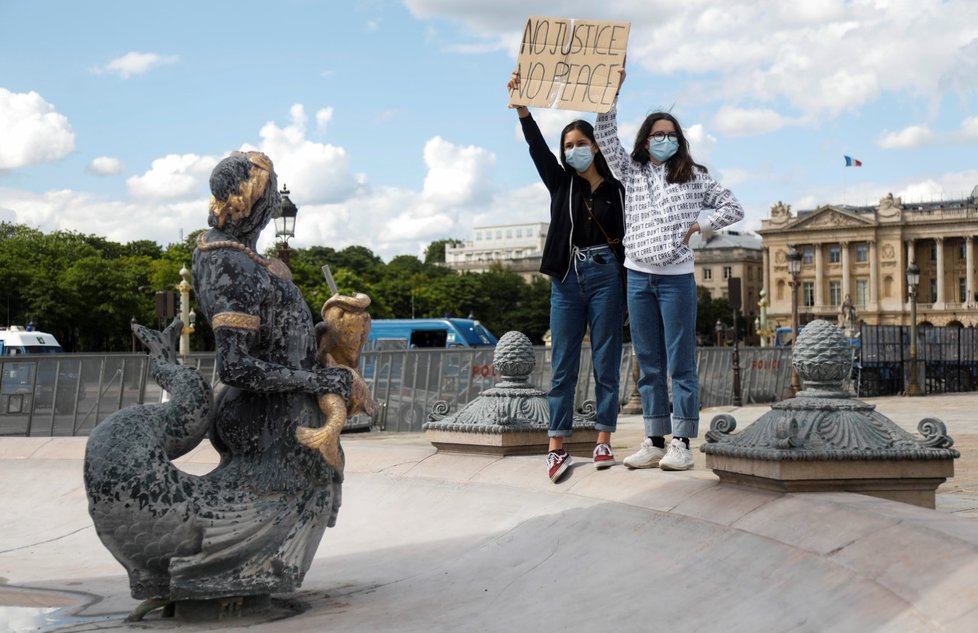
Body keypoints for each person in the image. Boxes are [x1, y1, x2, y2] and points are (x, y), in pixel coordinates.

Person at [594, 65, 744, 471]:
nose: (663, 140)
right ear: (645, 140)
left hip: (676, 278)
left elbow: (734, 207)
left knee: (680, 362)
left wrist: (702, 224)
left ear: (680, 141)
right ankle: (654, 438)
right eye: (657, 134)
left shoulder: (695, 177)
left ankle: (682, 441)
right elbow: (605, 139)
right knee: (648, 362)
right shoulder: (632, 172)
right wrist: (612, 93)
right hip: (639, 275)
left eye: (670, 135)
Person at [508, 72, 627, 483]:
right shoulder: (560, 183)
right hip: (566, 278)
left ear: (596, 146)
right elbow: (536, 148)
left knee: (607, 360)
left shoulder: (617, 189)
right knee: (563, 364)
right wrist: (523, 111)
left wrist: (611, 95)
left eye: (581, 143)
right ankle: (556, 446)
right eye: (568, 145)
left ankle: (603, 439)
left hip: (608, 275)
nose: (574, 150)